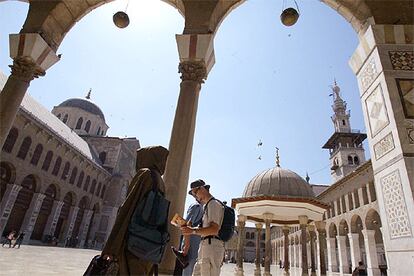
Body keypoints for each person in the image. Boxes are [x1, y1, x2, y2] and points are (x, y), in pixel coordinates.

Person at [102, 146, 169, 276]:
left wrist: (112, 246)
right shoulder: (160, 181)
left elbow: (128, 209)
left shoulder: (145, 174)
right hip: (147, 245)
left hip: (132, 243)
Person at [180, 179, 225, 276]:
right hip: (205, 247)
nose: (195, 196)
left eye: (195, 192)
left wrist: (192, 231)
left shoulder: (213, 204)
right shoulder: (207, 206)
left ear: (203, 189)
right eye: (193, 194)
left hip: (211, 247)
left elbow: (214, 229)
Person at [173, 197, 204, 276]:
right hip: (197, 245)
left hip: (190, 245)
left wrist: (186, 247)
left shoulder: (195, 206)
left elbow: (186, 226)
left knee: (187, 271)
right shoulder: (204, 210)